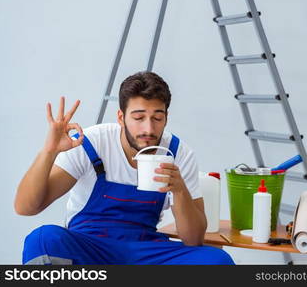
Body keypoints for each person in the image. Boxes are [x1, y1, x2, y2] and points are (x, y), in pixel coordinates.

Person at [14, 71, 235, 265]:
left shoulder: (178, 153)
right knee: (43, 239)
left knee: (216, 261)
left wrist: (179, 191)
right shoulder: (92, 143)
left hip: (145, 251)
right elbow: (26, 207)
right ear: (121, 117)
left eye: (157, 118)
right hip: (91, 248)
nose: (148, 129)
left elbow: (193, 240)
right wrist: (49, 151)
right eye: (138, 118)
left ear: (166, 119)